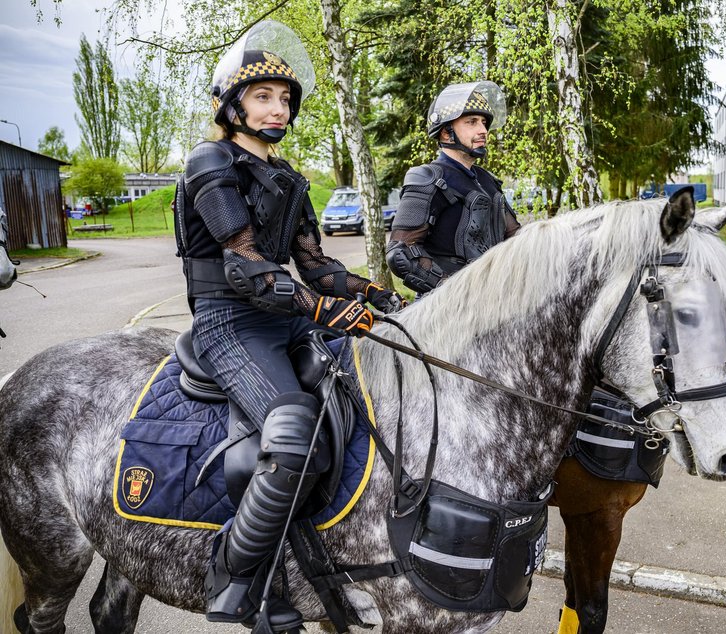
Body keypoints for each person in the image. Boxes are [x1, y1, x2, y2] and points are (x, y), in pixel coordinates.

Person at [174, 20, 404, 631]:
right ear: (231, 105)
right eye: (261, 97)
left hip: (285, 316)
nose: (277, 109)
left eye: (284, 99)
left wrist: (378, 295)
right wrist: (323, 310)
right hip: (231, 322)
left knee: (376, 397)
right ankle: (234, 570)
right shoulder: (209, 161)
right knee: (296, 429)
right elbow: (246, 268)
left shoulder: (291, 177)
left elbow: (315, 265)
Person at [385, 81, 520, 294]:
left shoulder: (487, 180)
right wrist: (454, 292)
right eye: (472, 122)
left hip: (497, 301)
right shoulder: (427, 177)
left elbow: (515, 237)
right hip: (447, 312)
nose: (483, 130)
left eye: (484, 123)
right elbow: (401, 252)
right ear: (446, 133)